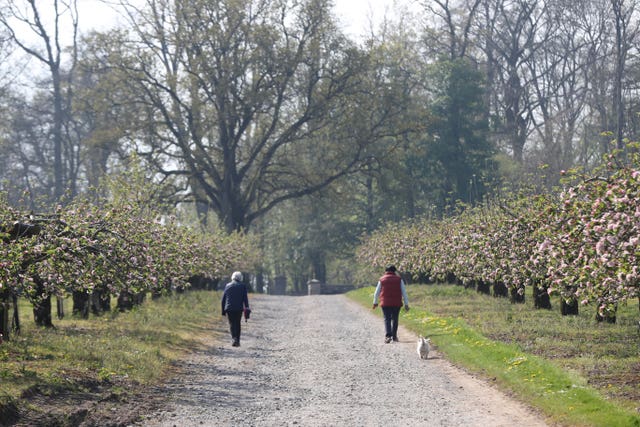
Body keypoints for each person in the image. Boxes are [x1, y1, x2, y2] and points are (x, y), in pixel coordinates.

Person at [372, 265, 409, 343]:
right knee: (395, 319)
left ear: (386, 271)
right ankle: (394, 336)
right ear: (394, 271)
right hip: (396, 303)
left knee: (387, 319)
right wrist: (406, 304)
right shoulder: (399, 280)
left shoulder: (381, 280)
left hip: (385, 303)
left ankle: (388, 336)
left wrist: (375, 302)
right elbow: (404, 293)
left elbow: (376, 293)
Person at [221, 271, 250, 347]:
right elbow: (245, 298)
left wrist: (223, 311)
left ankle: (234, 339)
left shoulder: (227, 285)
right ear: (240, 278)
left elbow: (223, 299)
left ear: (232, 277)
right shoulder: (242, 286)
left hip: (229, 308)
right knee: (237, 323)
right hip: (238, 308)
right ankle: (237, 340)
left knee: (232, 324)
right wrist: (246, 307)